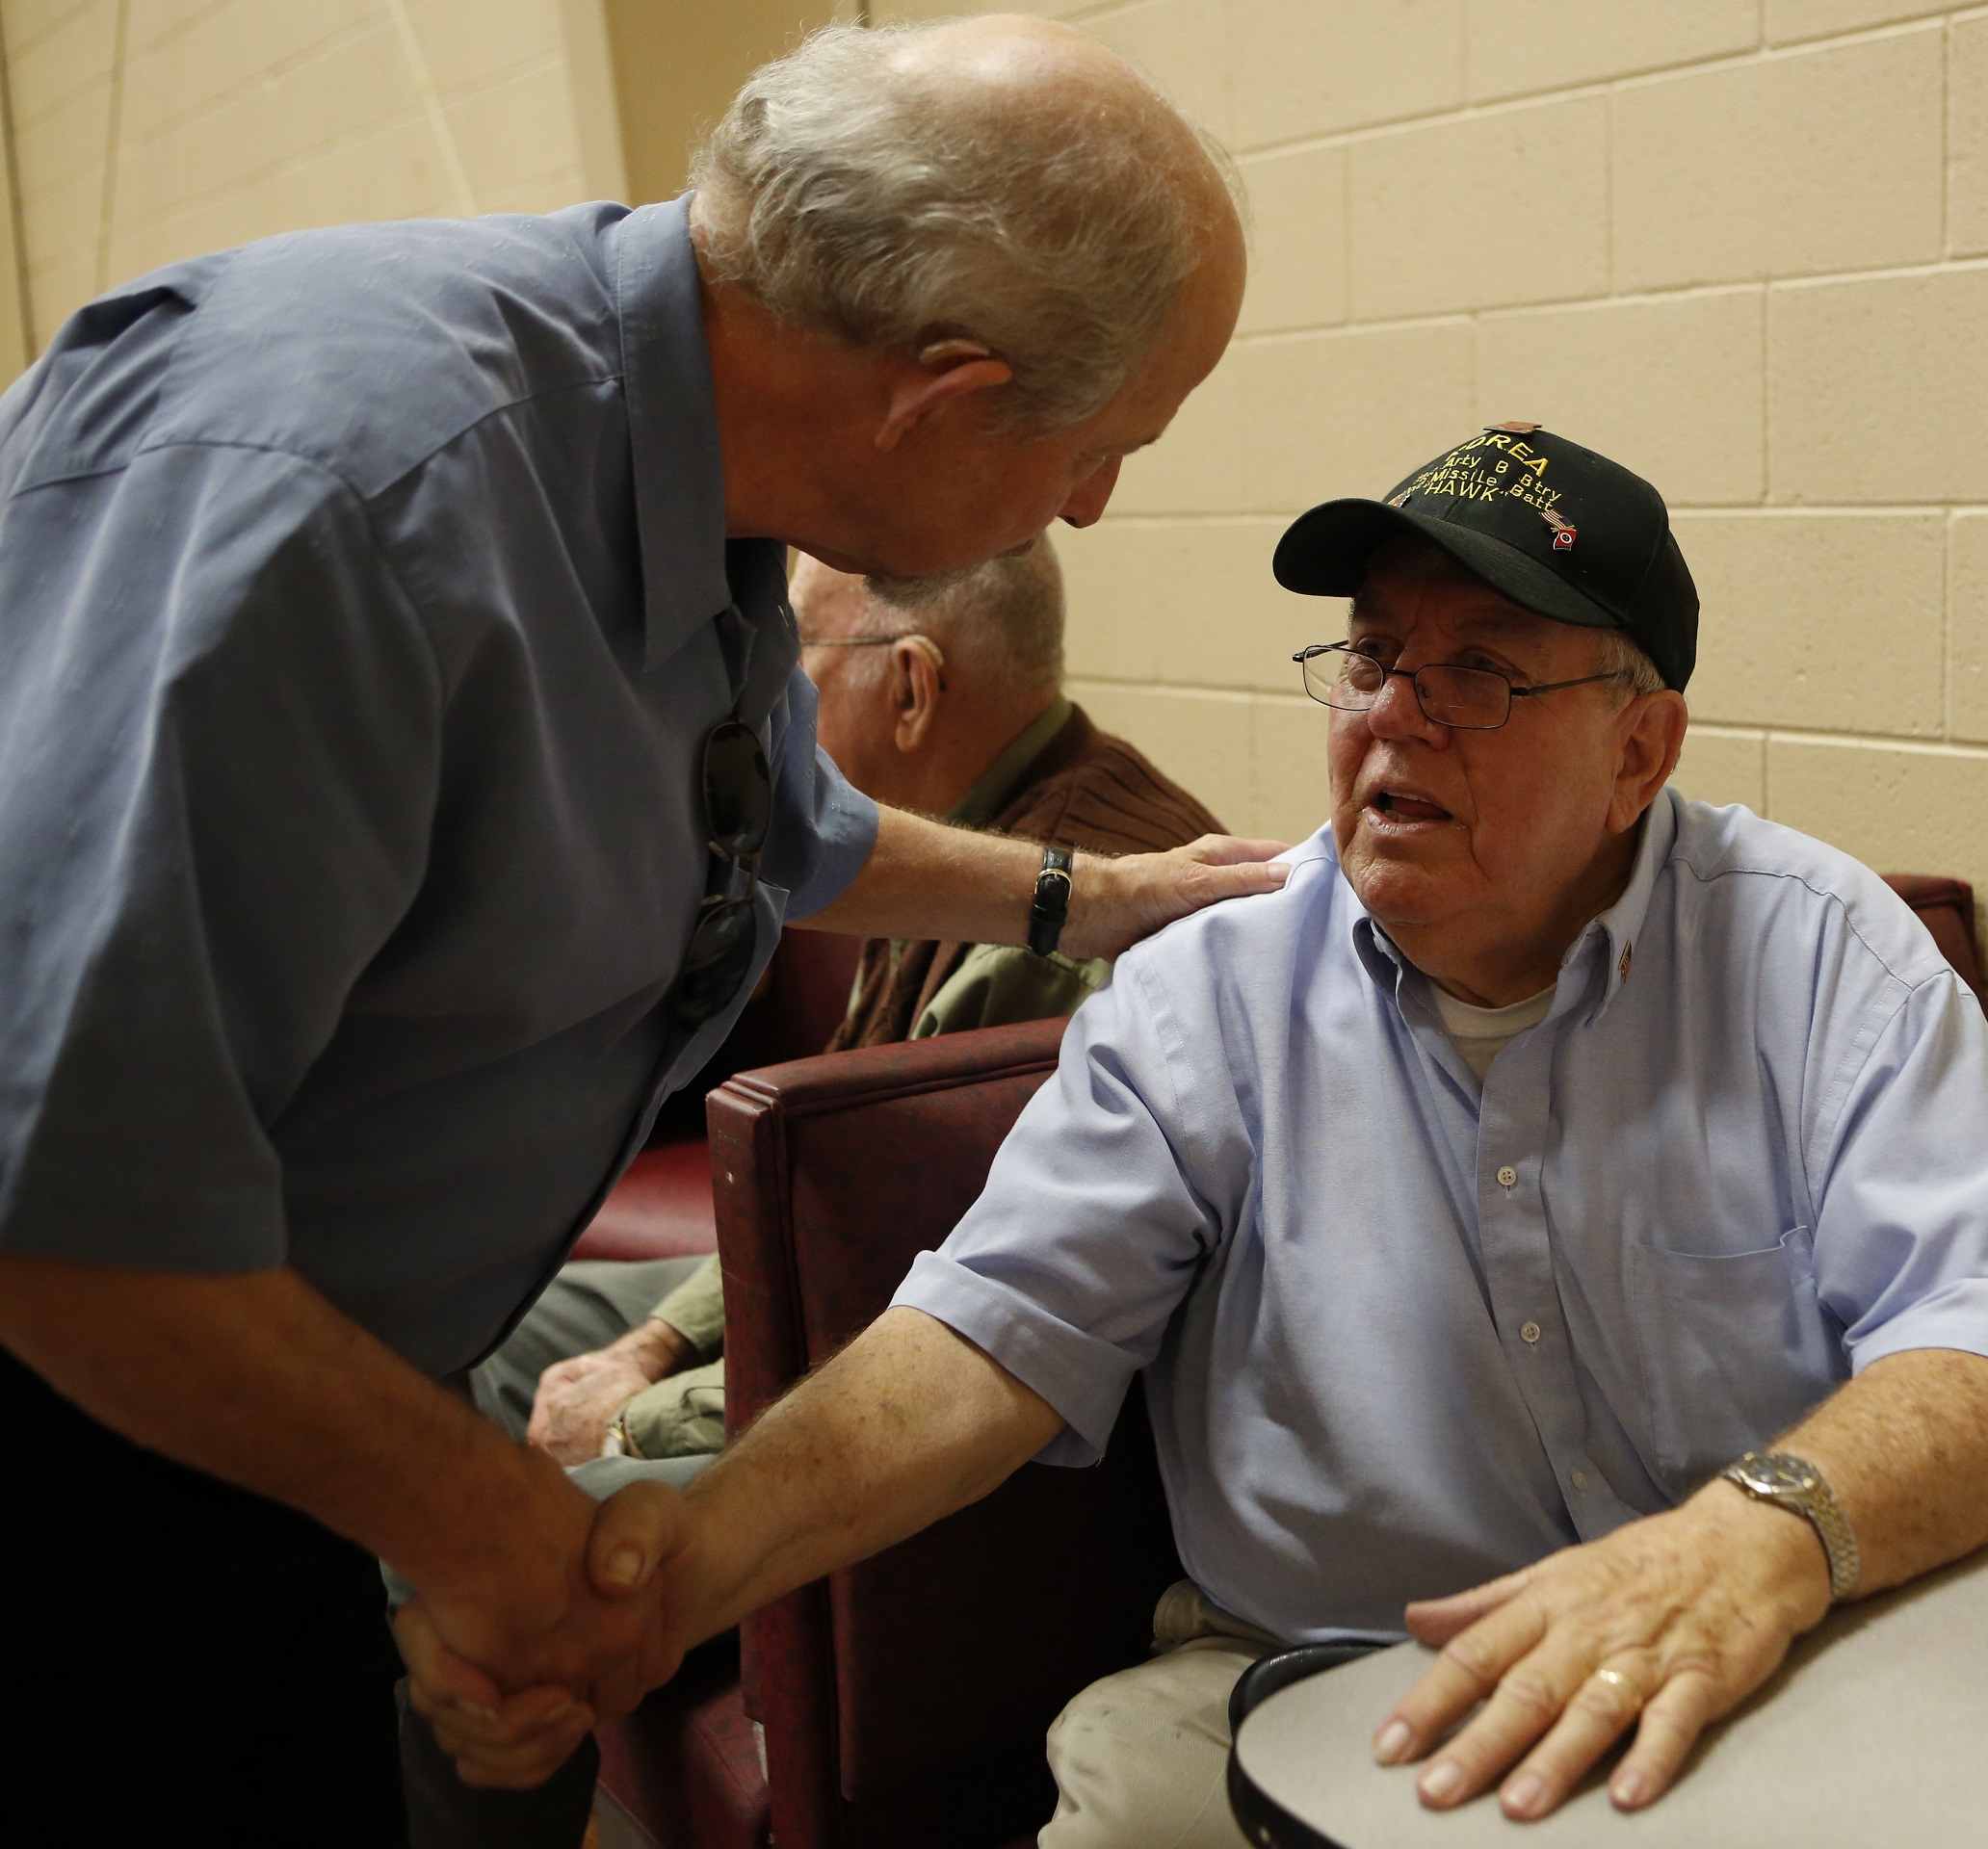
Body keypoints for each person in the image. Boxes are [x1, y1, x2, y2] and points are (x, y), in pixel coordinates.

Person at [408, 428, 1988, 1841]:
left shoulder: (1813, 954)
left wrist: (1755, 1537)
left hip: (1762, 1640)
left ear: (1638, 750)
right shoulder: (1209, 991)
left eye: (1482, 674)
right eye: (1372, 658)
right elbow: (980, 1342)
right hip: (1339, 1684)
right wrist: (676, 1572)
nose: (1395, 716)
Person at [0, 18, 1276, 1845]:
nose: (1092, 504)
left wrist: (1100, 893)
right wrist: (489, 1529)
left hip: (288, 1411)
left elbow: (765, 826)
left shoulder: (693, 466)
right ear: (941, 393)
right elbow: (65, 1200)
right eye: (1098, 449)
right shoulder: (354, 495)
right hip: (81, 1428)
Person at [496, 538, 1225, 1473]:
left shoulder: (1050, 940)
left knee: (521, 1494)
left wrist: (630, 1419)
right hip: (821, 1286)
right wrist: (655, 1344)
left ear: (911, 689)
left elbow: (930, 1319)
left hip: (909, 1380)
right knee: (490, 1329)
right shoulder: (961, 835)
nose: (766, 711)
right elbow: (822, 1183)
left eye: (793, 662)